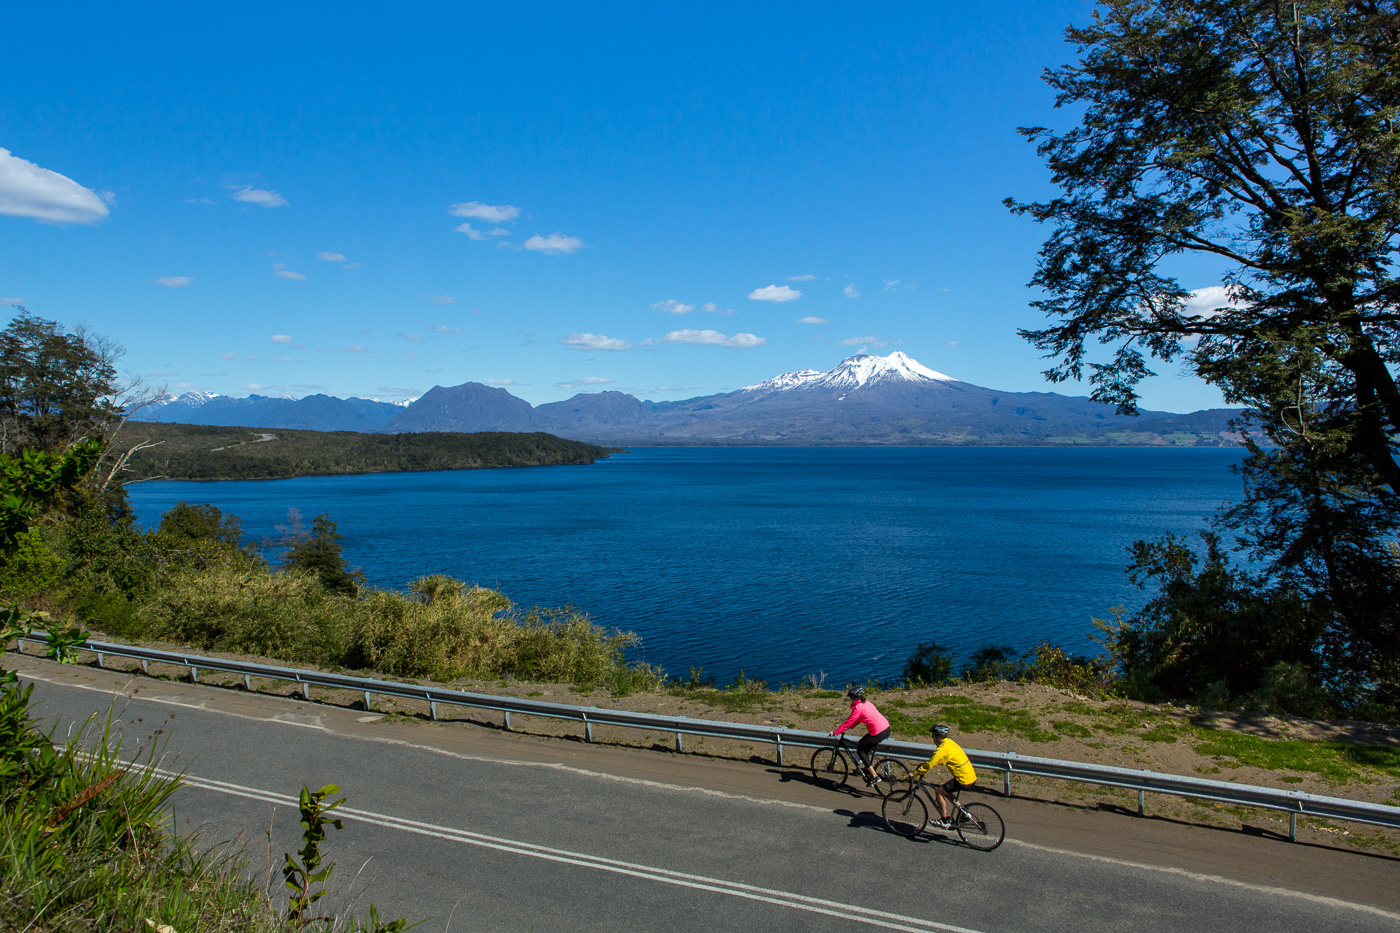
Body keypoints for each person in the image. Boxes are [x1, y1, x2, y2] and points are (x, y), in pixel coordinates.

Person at [910, 723, 977, 829]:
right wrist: (924, 766)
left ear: (938, 737)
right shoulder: (949, 743)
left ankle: (944, 820)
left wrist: (914, 773)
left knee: (939, 791)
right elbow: (938, 761)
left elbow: (931, 763)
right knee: (946, 791)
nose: (933, 738)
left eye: (933, 736)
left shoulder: (942, 750)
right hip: (970, 776)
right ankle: (964, 812)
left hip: (963, 779)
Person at [828, 686, 891, 788]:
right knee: (863, 743)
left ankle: (875, 776)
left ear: (854, 698)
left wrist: (836, 732)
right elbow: (857, 720)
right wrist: (851, 726)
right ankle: (868, 770)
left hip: (877, 732)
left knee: (860, 750)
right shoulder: (866, 703)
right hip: (886, 729)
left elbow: (848, 722)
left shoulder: (858, 708)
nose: (850, 700)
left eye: (851, 698)